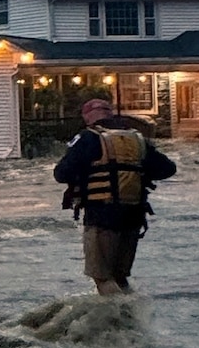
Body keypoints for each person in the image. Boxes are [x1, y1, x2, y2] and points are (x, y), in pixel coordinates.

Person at [53, 98, 176, 296]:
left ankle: (120, 318)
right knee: (120, 276)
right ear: (110, 114)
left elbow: (61, 174)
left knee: (102, 277)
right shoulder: (137, 139)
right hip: (134, 217)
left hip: (101, 216)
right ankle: (135, 314)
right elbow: (168, 169)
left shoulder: (88, 137)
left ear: (87, 117)